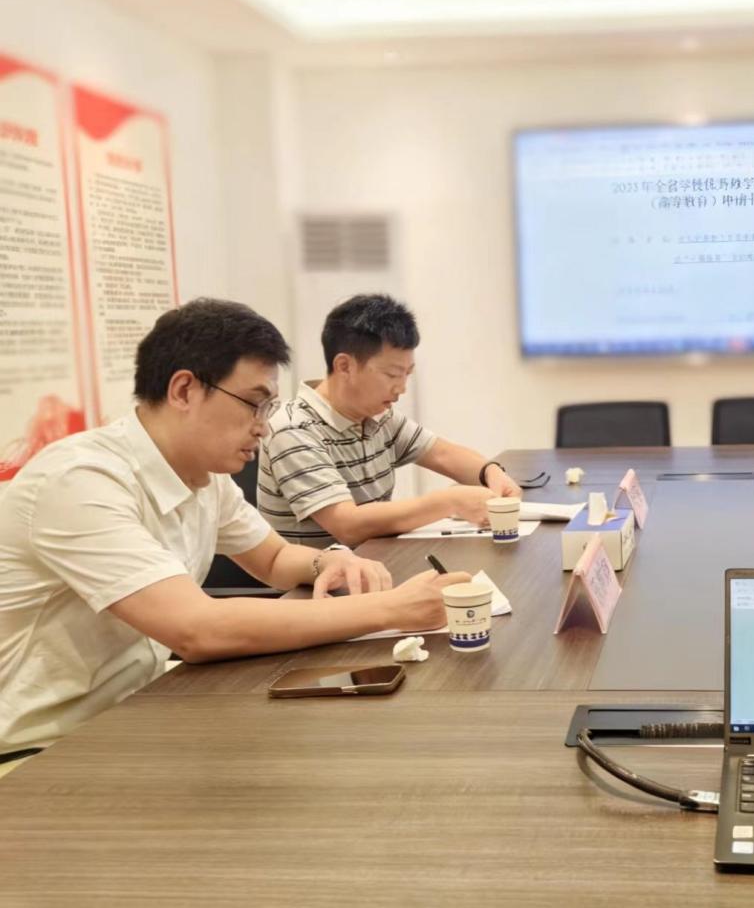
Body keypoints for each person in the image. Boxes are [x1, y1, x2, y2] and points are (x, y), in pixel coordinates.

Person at [0, 299, 469, 758]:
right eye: (254, 405)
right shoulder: (80, 480)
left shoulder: (204, 476)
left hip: (137, 708)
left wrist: (329, 560)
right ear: (184, 391)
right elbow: (197, 630)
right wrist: (392, 609)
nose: (264, 428)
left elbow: (274, 559)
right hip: (40, 749)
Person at [257, 294, 521, 548]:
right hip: (319, 577)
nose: (401, 388)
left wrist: (491, 472)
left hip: (374, 563)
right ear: (344, 366)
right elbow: (347, 525)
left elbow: (442, 454)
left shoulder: (378, 417)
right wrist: (450, 502)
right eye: (392, 374)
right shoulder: (293, 428)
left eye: (407, 374)